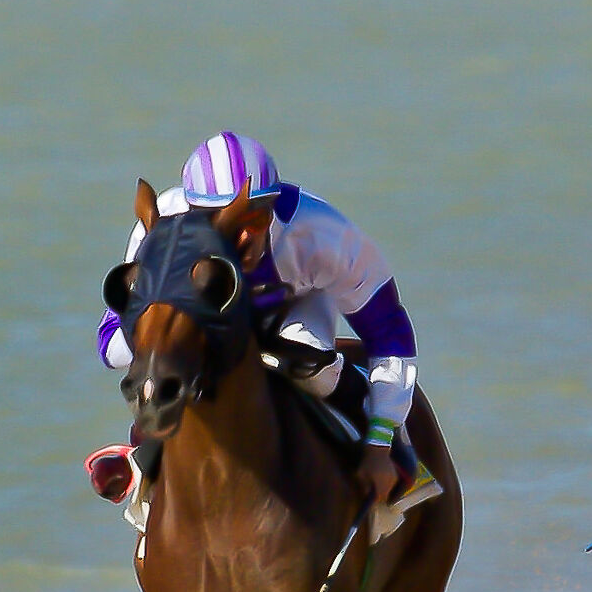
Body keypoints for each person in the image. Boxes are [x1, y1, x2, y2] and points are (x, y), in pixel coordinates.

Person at [87, 131, 417, 509]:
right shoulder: (162, 230)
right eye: (219, 221)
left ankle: (388, 443)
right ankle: (143, 455)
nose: (242, 235)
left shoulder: (324, 236)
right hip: (207, 315)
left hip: (294, 305)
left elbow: (388, 332)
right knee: (158, 359)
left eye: (257, 219)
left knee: (310, 363)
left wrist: (381, 438)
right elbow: (110, 336)